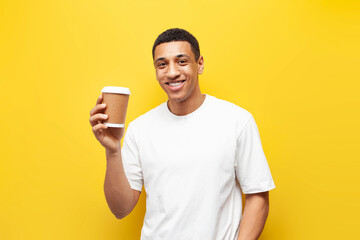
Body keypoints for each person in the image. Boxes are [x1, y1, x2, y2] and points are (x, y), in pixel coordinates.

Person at [89, 28, 276, 240]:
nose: (171, 72)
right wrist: (112, 150)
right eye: (162, 64)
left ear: (200, 64)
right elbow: (120, 209)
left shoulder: (237, 120)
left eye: (182, 61)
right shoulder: (139, 129)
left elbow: (258, 197)